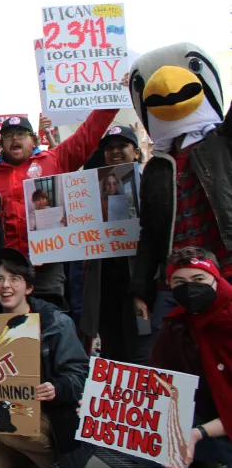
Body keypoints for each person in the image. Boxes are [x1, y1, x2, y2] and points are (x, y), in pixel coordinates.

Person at [0, 247, 91, 468]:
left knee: (5, 425)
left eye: (15, 279)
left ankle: (64, 459)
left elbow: (80, 374)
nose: (6, 285)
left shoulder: (56, 323)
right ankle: (25, 453)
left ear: (29, 287)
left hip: (46, 415)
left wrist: (57, 387)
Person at [127, 45, 229, 345]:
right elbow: (149, 234)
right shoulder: (156, 168)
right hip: (174, 281)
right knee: (172, 359)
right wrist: (141, 289)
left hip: (225, 271)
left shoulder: (223, 143)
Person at [0, 108, 118, 308]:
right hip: (8, 270)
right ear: (1, 143)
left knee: (52, 326)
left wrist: (110, 102)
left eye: (21, 134)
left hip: (47, 270)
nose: (15, 139)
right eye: (8, 136)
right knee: (14, 331)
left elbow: (86, 136)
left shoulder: (55, 159)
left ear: (33, 139)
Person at [150, 247, 232, 468]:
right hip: (211, 417)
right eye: (180, 282)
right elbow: (157, 380)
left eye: (198, 280)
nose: (190, 288)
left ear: (216, 279)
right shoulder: (176, 323)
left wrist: (198, 433)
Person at [78, 126, 148, 364]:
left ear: (137, 152)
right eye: (110, 148)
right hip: (105, 284)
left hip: (140, 282)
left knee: (141, 350)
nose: (115, 152)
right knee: (113, 350)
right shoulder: (90, 192)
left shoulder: (150, 183)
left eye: (122, 146)